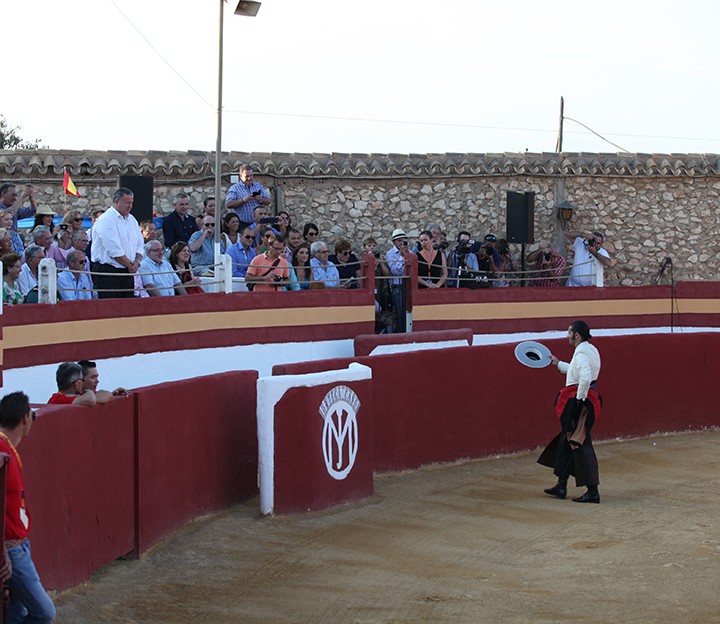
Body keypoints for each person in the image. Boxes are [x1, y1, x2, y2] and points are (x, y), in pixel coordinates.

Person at [0, 391, 57, 623]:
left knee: (17, 613)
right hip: (11, 549)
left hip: (18, 545)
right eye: (32, 414)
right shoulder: (2, 449)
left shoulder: (7, 448)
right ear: (25, 418)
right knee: (44, 613)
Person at [537, 320, 603, 504]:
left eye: (569, 332)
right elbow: (576, 371)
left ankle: (592, 491)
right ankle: (561, 485)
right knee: (568, 442)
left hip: (579, 401)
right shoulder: (590, 350)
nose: (567, 335)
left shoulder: (581, 353)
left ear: (577, 335)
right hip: (586, 398)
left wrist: (579, 400)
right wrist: (558, 364)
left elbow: (585, 377)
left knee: (579, 443)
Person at [90, 188, 145, 299]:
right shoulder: (106, 220)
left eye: (131, 203)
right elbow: (114, 250)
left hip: (128, 272)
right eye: (127, 203)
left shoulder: (132, 220)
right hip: (109, 273)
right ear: (116, 202)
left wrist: (137, 262)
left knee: (126, 308)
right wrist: (131, 265)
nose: (130, 206)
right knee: (110, 309)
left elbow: (140, 244)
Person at [386, 228, 411, 333]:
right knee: (400, 312)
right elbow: (395, 271)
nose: (401, 243)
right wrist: (401, 257)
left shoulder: (410, 252)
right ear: (394, 242)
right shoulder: (390, 254)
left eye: (403, 240)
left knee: (410, 312)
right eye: (399, 240)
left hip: (409, 286)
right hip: (398, 286)